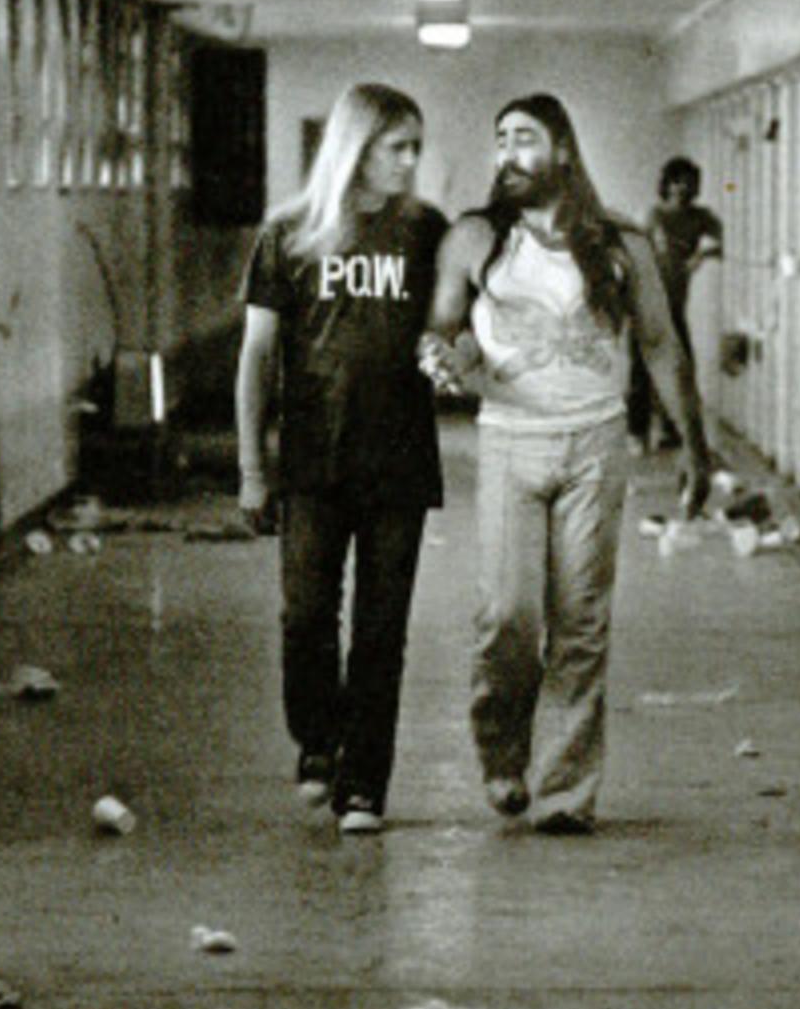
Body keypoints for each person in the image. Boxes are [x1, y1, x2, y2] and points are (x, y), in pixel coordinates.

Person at [419, 94, 709, 835]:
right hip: (509, 441)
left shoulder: (620, 244)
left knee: (581, 623)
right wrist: (442, 357)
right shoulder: (475, 237)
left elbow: (661, 345)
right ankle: (503, 752)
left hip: (595, 444)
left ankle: (564, 792)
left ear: (563, 151)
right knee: (508, 617)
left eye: (525, 139)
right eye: (501, 140)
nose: (508, 154)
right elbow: (441, 327)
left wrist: (695, 447)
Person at [235, 84, 449, 835]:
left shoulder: (425, 231)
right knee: (305, 617)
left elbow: (454, 315)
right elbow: (257, 355)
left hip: (399, 460)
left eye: (416, 146)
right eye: (398, 146)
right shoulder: (288, 233)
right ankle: (318, 739)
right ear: (357, 148)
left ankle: (364, 785)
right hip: (312, 460)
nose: (411, 160)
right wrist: (251, 469)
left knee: (381, 630)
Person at [628, 155, 724, 451]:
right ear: (667, 185)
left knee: (681, 372)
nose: (683, 188)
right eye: (678, 182)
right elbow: (633, 250)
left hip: (675, 307)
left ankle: (672, 430)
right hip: (647, 305)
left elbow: (722, 241)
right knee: (642, 372)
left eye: (689, 183)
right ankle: (638, 432)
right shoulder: (653, 216)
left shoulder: (701, 218)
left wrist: (701, 255)